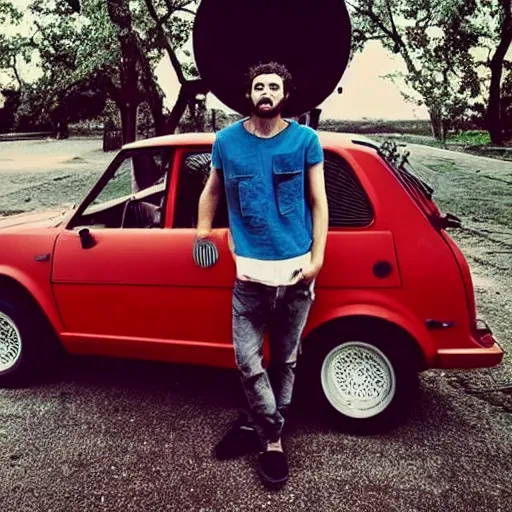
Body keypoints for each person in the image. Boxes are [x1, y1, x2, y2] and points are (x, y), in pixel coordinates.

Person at [196, 61, 328, 487]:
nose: (266, 92)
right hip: (249, 278)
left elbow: (319, 203)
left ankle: (267, 440)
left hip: (295, 274)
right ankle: (271, 429)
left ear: (284, 95)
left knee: (286, 360)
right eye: (258, 86)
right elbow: (212, 190)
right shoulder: (226, 141)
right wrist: (203, 233)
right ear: (249, 94)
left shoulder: (306, 140)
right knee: (248, 362)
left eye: (273, 86)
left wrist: (318, 260)